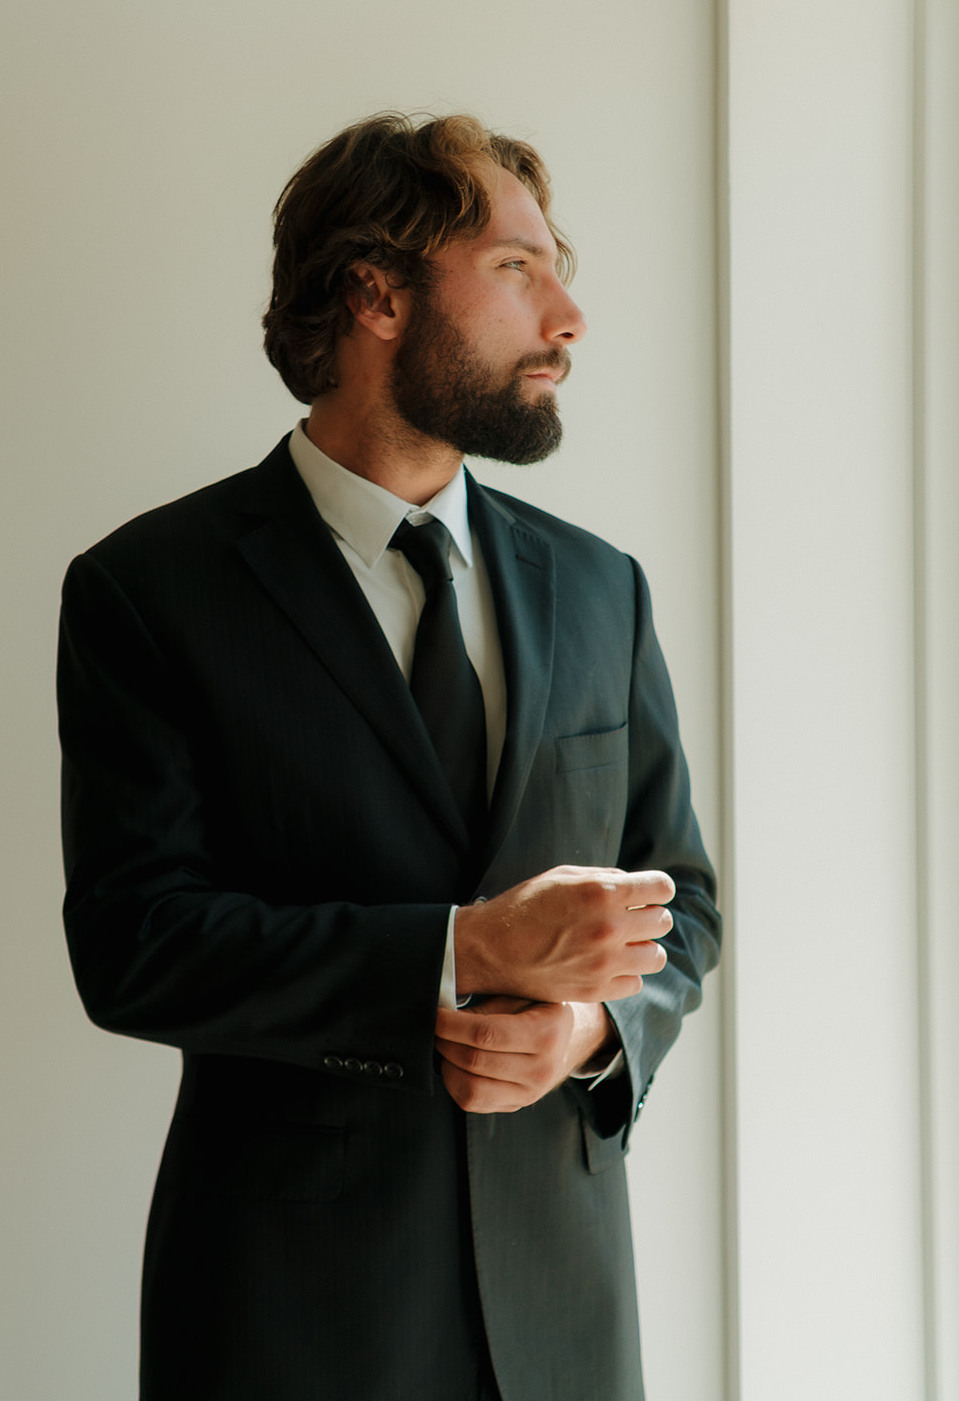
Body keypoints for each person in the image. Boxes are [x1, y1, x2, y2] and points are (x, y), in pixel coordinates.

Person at [57, 111, 721, 1401]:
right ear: (374, 292)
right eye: (519, 268)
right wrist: (465, 950)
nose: (569, 315)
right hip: (285, 1312)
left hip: (563, 1316)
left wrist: (592, 1027)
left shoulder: (601, 590)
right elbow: (137, 946)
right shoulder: (151, 591)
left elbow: (678, 903)